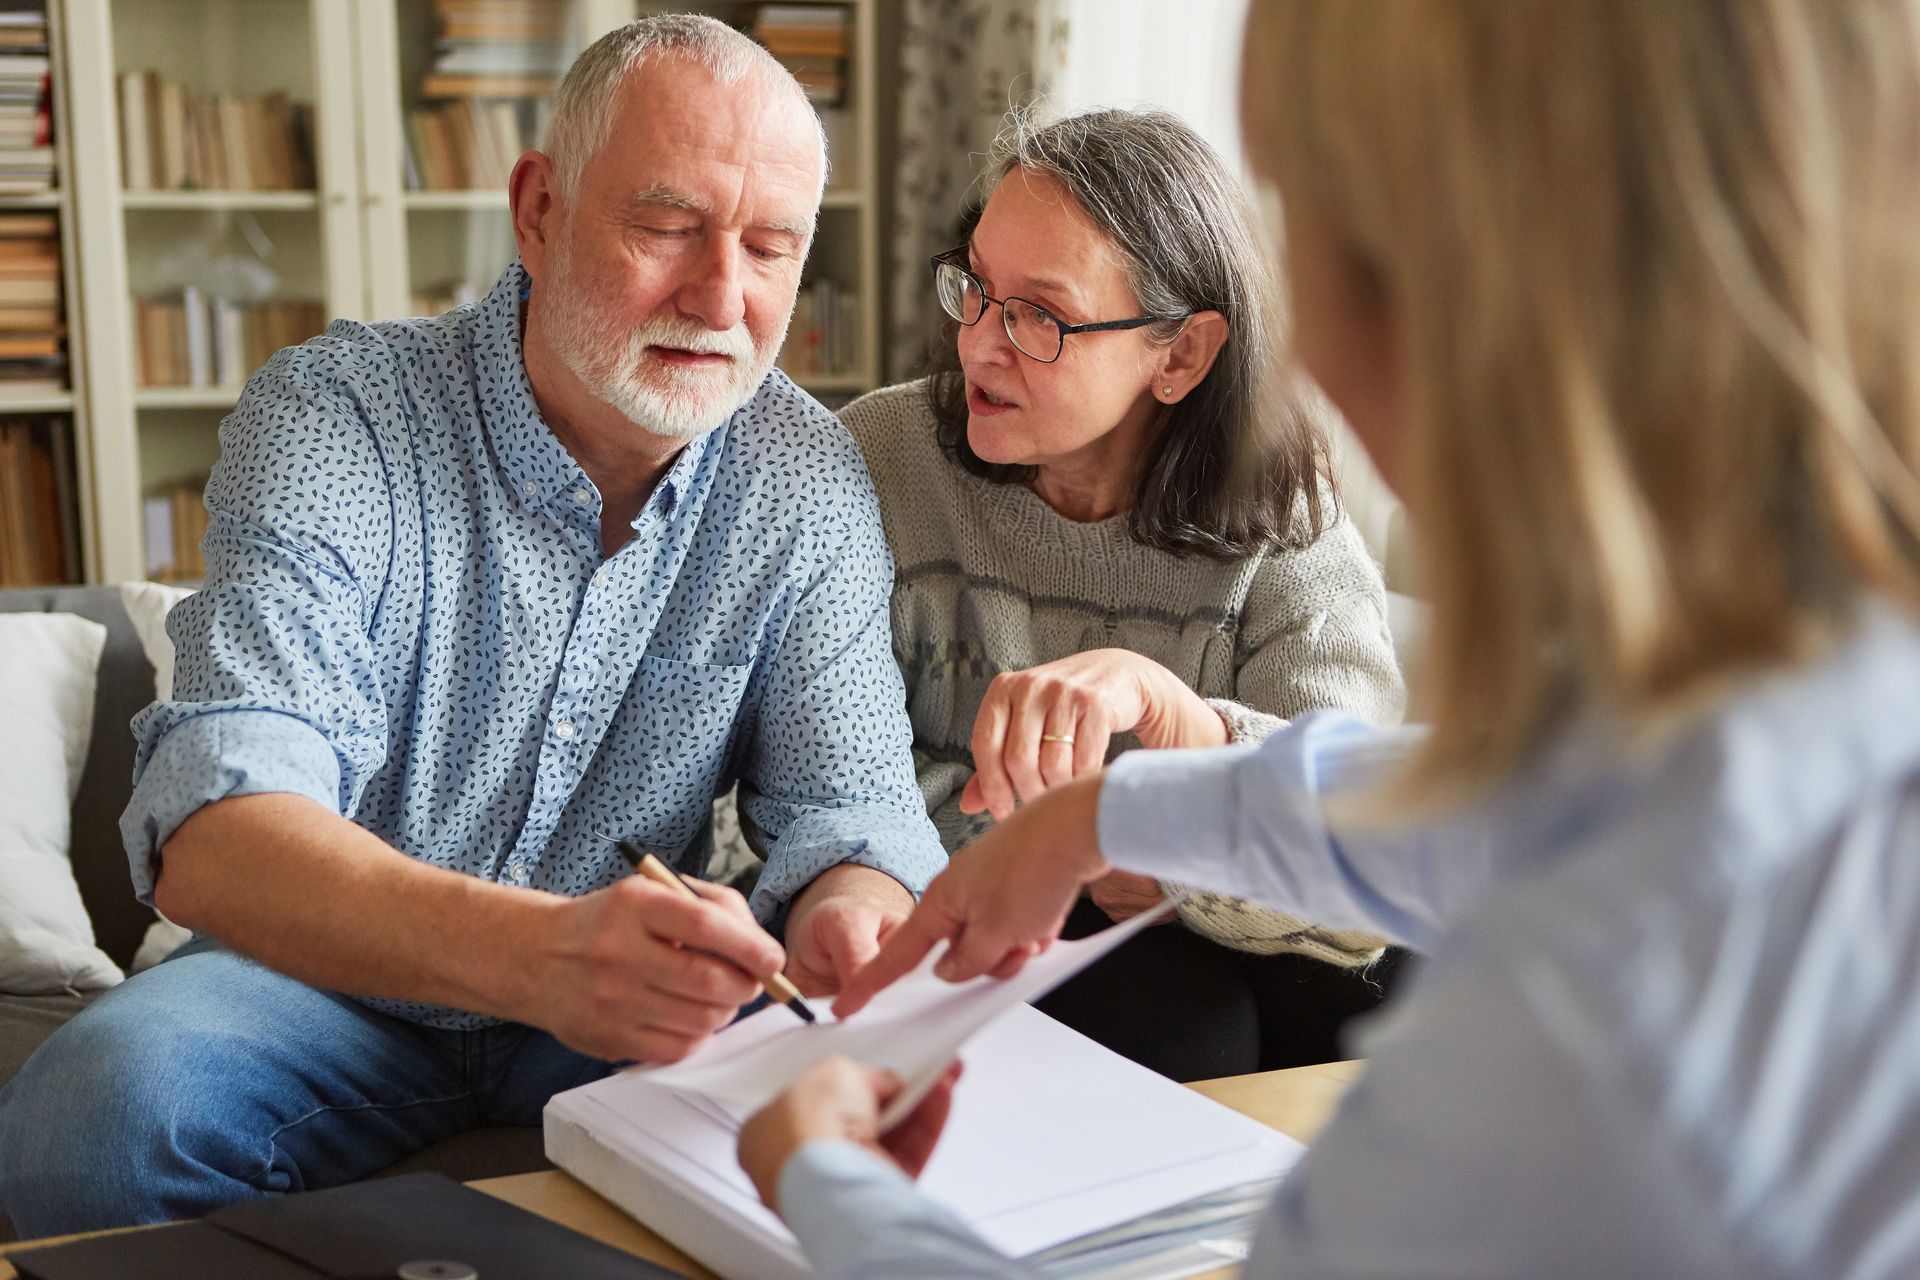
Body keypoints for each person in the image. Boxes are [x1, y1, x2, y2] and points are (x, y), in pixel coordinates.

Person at [737, 0, 1920, 1276]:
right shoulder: (1791, 693)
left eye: (1320, 233)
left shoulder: (1585, 1017)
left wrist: (829, 1182)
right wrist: (1095, 821)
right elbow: (1471, 796)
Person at [0, 16, 947, 1238]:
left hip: (635, 1010)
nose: (723, 297)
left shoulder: (803, 474)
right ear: (539, 208)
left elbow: (853, 808)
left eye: (772, 248)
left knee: (882, 1138)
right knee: (90, 1117)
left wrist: (851, 923)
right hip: (321, 983)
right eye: (667, 227)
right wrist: (543, 952)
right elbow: (218, 831)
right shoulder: (340, 413)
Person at [836, 107, 1405, 1081]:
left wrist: (1183, 779)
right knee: (1185, 1023)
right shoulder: (878, 460)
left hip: (1212, 915)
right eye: (975, 288)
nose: (978, 344)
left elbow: (1365, 835)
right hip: (977, 906)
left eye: (1039, 317)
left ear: (1180, 355)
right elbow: (832, 774)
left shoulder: (1281, 502)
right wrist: (1089, 836)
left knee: (1386, 995)